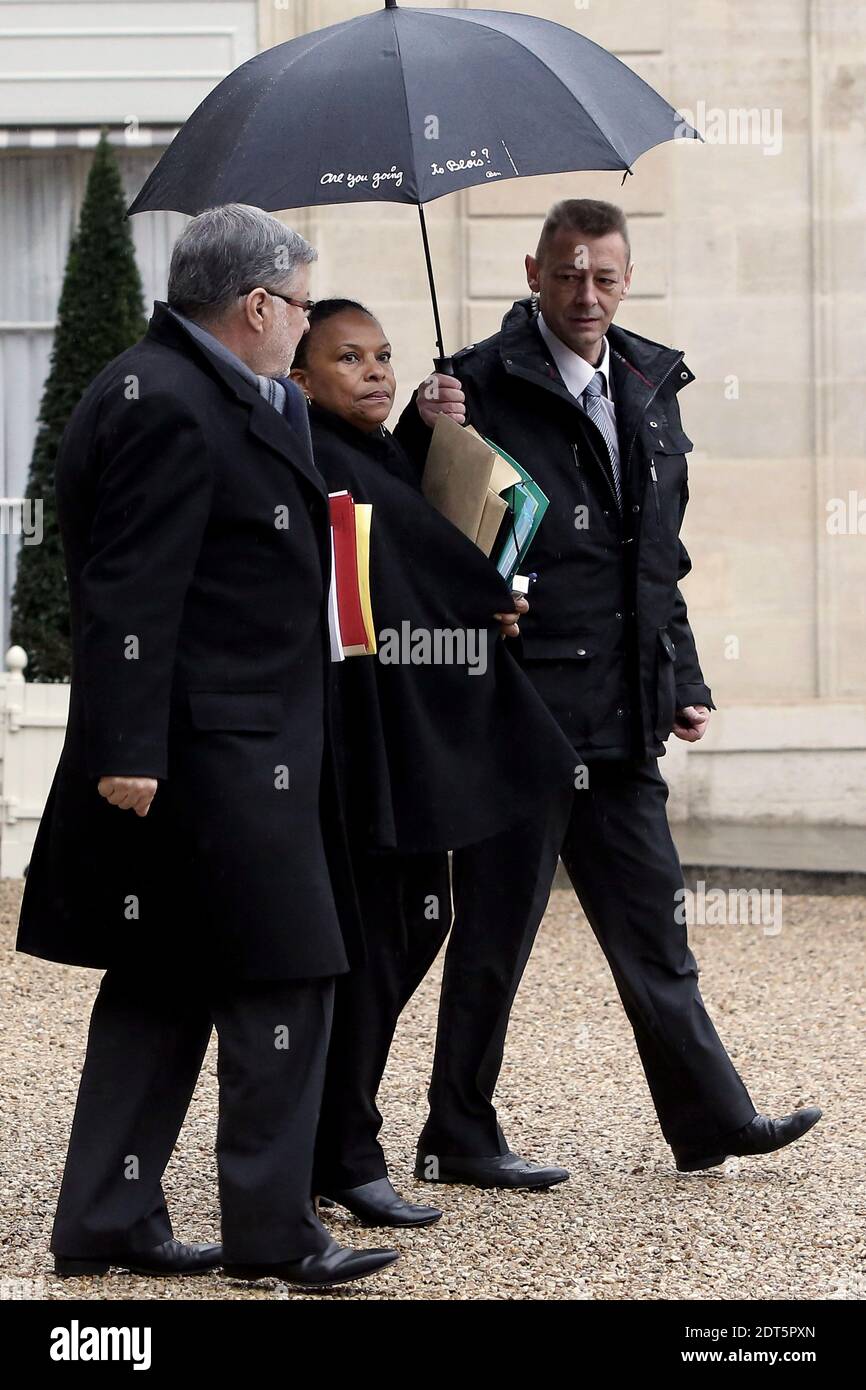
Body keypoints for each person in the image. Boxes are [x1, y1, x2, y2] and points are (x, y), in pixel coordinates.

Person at [395, 198, 822, 1180]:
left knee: (655, 927)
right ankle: (455, 1134)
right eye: (567, 274)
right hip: (517, 716)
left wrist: (683, 676)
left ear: (623, 277)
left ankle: (709, 1118)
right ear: (533, 272)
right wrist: (425, 437)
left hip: (623, 717)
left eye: (603, 276)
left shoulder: (647, 381)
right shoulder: (472, 385)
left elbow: (654, 558)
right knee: (493, 936)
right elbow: (422, 533)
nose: (584, 293)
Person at [16, 205, 398, 1288]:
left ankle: (105, 1215)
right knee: (288, 974)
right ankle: (273, 1233)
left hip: (235, 744)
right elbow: (131, 585)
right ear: (258, 305)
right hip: (208, 758)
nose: (308, 326)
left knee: (162, 982)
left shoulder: (219, 390)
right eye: (304, 305)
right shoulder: (168, 403)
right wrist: (127, 749)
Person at [289, 299, 578, 1223]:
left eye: (382, 355)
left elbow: (415, 531)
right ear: (299, 378)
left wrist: (429, 431)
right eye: (347, 358)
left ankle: (340, 1138)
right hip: (361, 739)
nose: (373, 371)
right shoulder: (315, 457)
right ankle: (340, 1147)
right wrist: (479, 593)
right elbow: (382, 567)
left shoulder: (371, 447)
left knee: (410, 926)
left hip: (405, 732)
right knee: (380, 938)